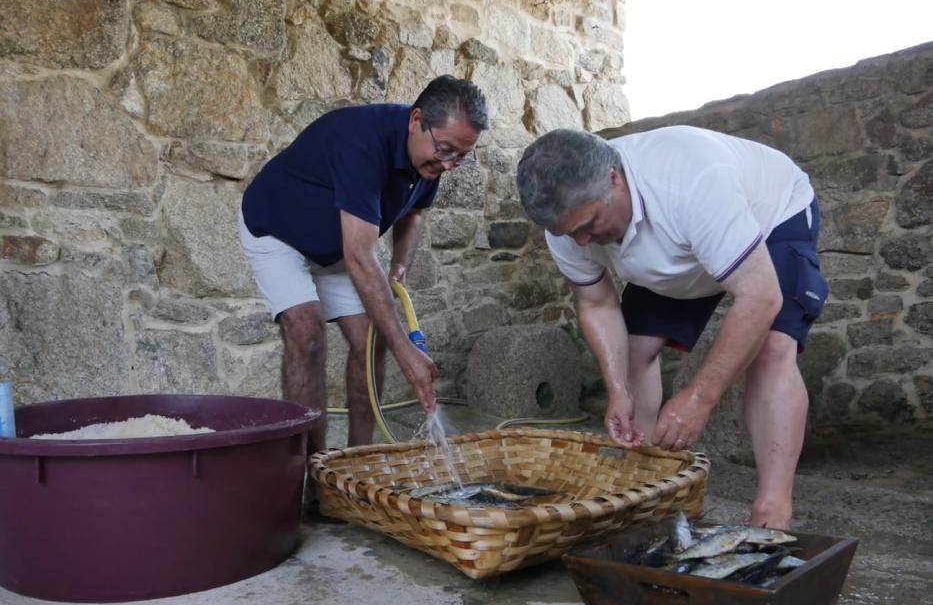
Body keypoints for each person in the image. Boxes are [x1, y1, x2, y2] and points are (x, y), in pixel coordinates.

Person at [516, 126, 828, 529]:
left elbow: (760, 297)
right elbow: (596, 303)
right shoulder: (568, 225)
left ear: (614, 178)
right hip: (678, 246)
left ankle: (772, 510)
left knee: (771, 352)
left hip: (771, 219)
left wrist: (699, 397)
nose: (580, 241)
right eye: (568, 233)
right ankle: (643, 487)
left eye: (589, 224)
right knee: (634, 350)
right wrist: (617, 390)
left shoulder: (690, 181)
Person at [240, 75, 488, 454]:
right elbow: (359, 256)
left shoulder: (431, 160)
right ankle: (311, 472)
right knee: (307, 336)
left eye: (461, 156)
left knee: (370, 340)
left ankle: (358, 463)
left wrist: (400, 267)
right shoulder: (361, 142)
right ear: (415, 120)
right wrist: (407, 351)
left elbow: (414, 214)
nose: (451, 163)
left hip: (336, 241)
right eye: (446, 149)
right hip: (277, 229)